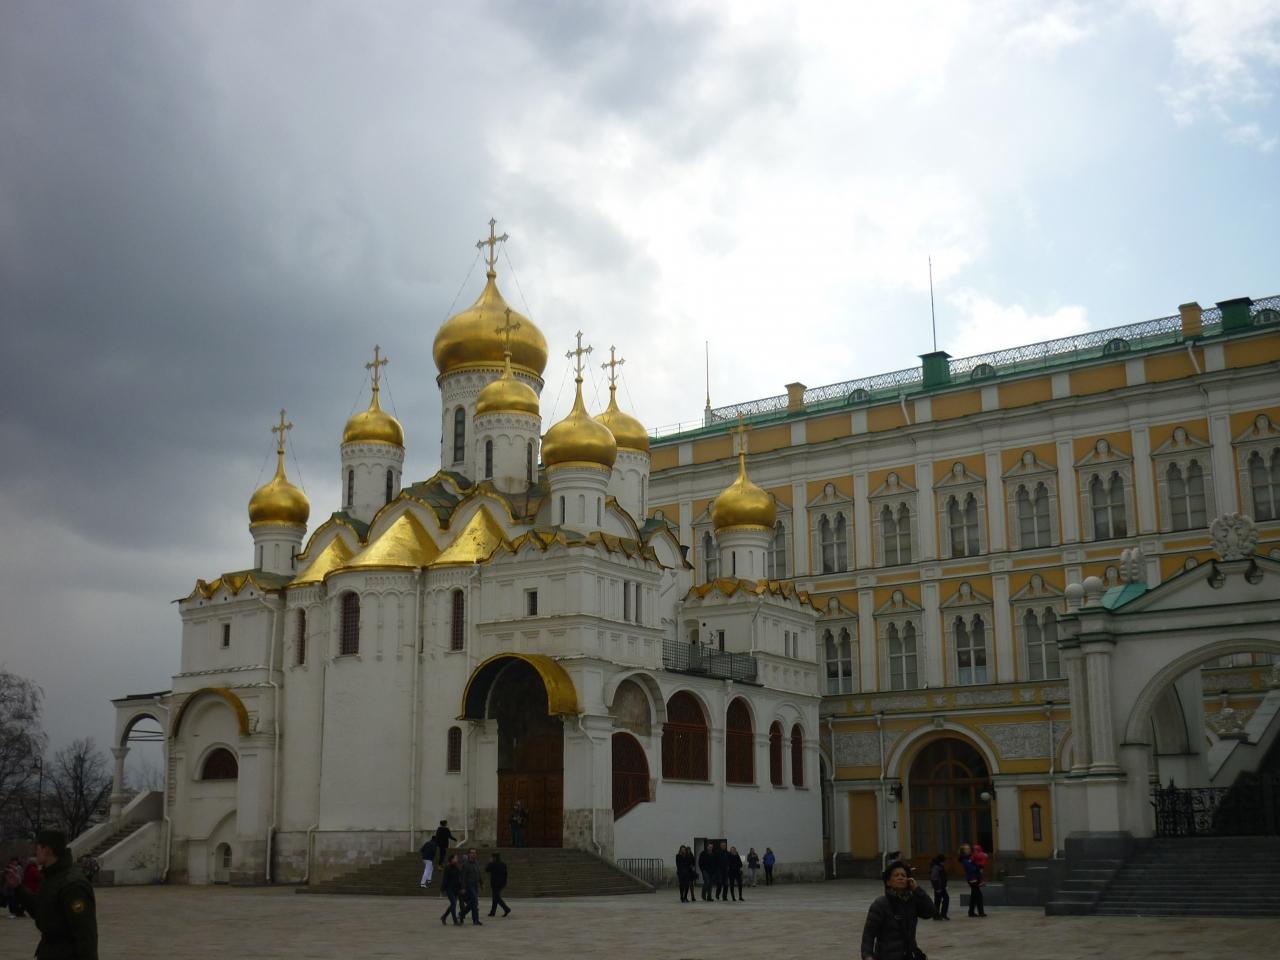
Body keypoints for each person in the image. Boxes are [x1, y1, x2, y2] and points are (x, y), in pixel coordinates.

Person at [5, 829, 98, 959]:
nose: (35, 852)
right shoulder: (50, 877)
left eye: (37, 848)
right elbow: (41, 911)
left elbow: (86, 935)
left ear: (47, 850)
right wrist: (18, 888)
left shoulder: (73, 885)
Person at [859, 859, 934, 960]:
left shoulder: (912, 901)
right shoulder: (880, 904)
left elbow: (930, 912)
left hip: (909, 955)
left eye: (903, 875)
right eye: (896, 875)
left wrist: (917, 890)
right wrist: (867, 956)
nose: (900, 878)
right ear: (888, 882)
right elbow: (869, 934)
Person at [456, 848, 483, 925]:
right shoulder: (465, 864)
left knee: (473, 902)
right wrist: (463, 887)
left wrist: (481, 883)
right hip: (469, 886)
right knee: (474, 901)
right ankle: (475, 920)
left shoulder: (476, 863)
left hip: (475, 885)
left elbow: (478, 873)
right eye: (472, 853)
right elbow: (463, 877)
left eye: (475, 853)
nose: (473, 854)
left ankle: (462, 914)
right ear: (468, 854)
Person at [959, 843, 986, 918]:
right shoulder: (964, 859)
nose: (969, 850)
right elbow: (971, 868)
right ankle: (981, 912)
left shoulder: (971, 856)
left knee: (974, 895)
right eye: (966, 849)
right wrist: (978, 866)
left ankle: (971, 912)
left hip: (976, 877)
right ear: (963, 851)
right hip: (971, 879)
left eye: (969, 848)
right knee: (978, 895)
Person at [439, 854, 462, 926]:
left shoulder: (457, 868)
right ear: (451, 859)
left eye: (457, 858)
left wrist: (461, 888)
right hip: (449, 889)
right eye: (455, 858)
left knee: (453, 904)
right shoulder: (447, 868)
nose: (457, 859)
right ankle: (455, 921)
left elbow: (459, 879)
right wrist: (442, 889)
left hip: (456, 889)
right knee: (454, 903)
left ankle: (444, 916)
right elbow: (445, 879)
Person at [485, 852, 510, 917]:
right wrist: (505, 882)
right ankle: (493, 912)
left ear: (494, 858)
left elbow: (487, 869)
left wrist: (490, 862)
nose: (491, 858)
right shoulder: (503, 864)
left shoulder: (493, 864)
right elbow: (506, 874)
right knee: (495, 897)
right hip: (502, 883)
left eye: (492, 857)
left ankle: (506, 909)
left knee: (496, 897)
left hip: (495, 883)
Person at [929, 853, 950, 921]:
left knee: (941, 899)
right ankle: (938, 915)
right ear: (942, 861)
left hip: (941, 886)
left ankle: (940, 914)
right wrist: (937, 888)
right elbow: (934, 877)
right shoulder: (936, 866)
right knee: (940, 900)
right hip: (938, 887)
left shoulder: (939, 865)